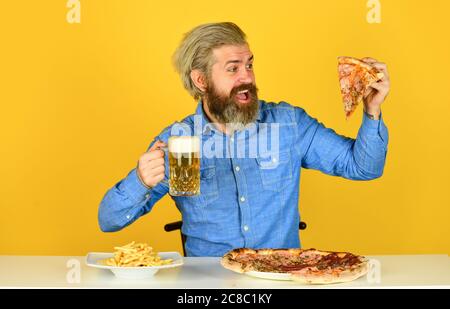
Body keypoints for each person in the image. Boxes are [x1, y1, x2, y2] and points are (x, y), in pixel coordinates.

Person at [98, 22, 390, 257]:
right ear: (201, 81)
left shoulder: (288, 124)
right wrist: (141, 180)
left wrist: (372, 110)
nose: (247, 77)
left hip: (280, 279)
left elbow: (364, 167)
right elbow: (108, 221)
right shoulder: (180, 142)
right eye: (233, 68)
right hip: (208, 286)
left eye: (249, 65)